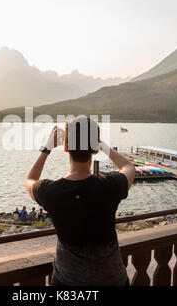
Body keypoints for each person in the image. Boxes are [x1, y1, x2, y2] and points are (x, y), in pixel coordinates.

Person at [24, 116, 135, 286]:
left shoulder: (51, 191)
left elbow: (29, 180)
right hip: (114, 281)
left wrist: (46, 148)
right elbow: (129, 167)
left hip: (68, 284)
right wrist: (102, 145)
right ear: (95, 149)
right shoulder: (110, 187)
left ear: (66, 147)